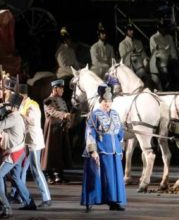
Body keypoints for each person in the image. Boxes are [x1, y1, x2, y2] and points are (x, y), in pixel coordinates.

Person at [81, 84, 126, 212]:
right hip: (101, 150)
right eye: (106, 101)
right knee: (98, 178)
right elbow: (90, 133)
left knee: (114, 179)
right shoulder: (94, 115)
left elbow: (120, 134)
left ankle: (114, 202)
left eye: (110, 101)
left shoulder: (115, 114)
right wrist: (93, 151)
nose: (108, 104)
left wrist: (121, 149)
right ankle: (90, 201)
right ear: (101, 101)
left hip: (114, 151)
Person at [0, 90, 38, 211]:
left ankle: (3, 203)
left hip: (14, 153)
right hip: (20, 151)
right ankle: (29, 202)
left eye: (9, 105)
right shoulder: (18, 116)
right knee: (16, 178)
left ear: (13, 106)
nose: (7, 108)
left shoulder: (13, 118)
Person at [17, 84, 51, 208]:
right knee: (22, 169)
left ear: (21, 95)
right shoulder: (23, 104)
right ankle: (18, 195)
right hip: (26, 142)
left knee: (36, 170)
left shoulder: (33, 105)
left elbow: (32, 120)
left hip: (34, 142)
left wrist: (18, 115)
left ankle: (46, 198)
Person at [42, 79, 72, 185]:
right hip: (52, 129)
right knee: (51, 152)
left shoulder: (62, 101)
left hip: (61, 129)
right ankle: (49, 175)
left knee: (61, 152)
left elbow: (66, 112)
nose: (62, 91)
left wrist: (68, 121)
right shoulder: (48, 100)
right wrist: (64, 115)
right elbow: (52, 111)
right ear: (55, 88)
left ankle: (59, 174)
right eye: (61, 88)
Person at [149, 21, 179, 91]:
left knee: (177, 69)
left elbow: (172, 49)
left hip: (168, 59)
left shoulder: (169, 37)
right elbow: (156, 50)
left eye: (164, 27)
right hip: (159, 59)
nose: (163, 29)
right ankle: (163, 85)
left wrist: (174, 58)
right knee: (164, 70)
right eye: (161, 28)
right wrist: (164, 49)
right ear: (158, 28)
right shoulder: (154, 38)